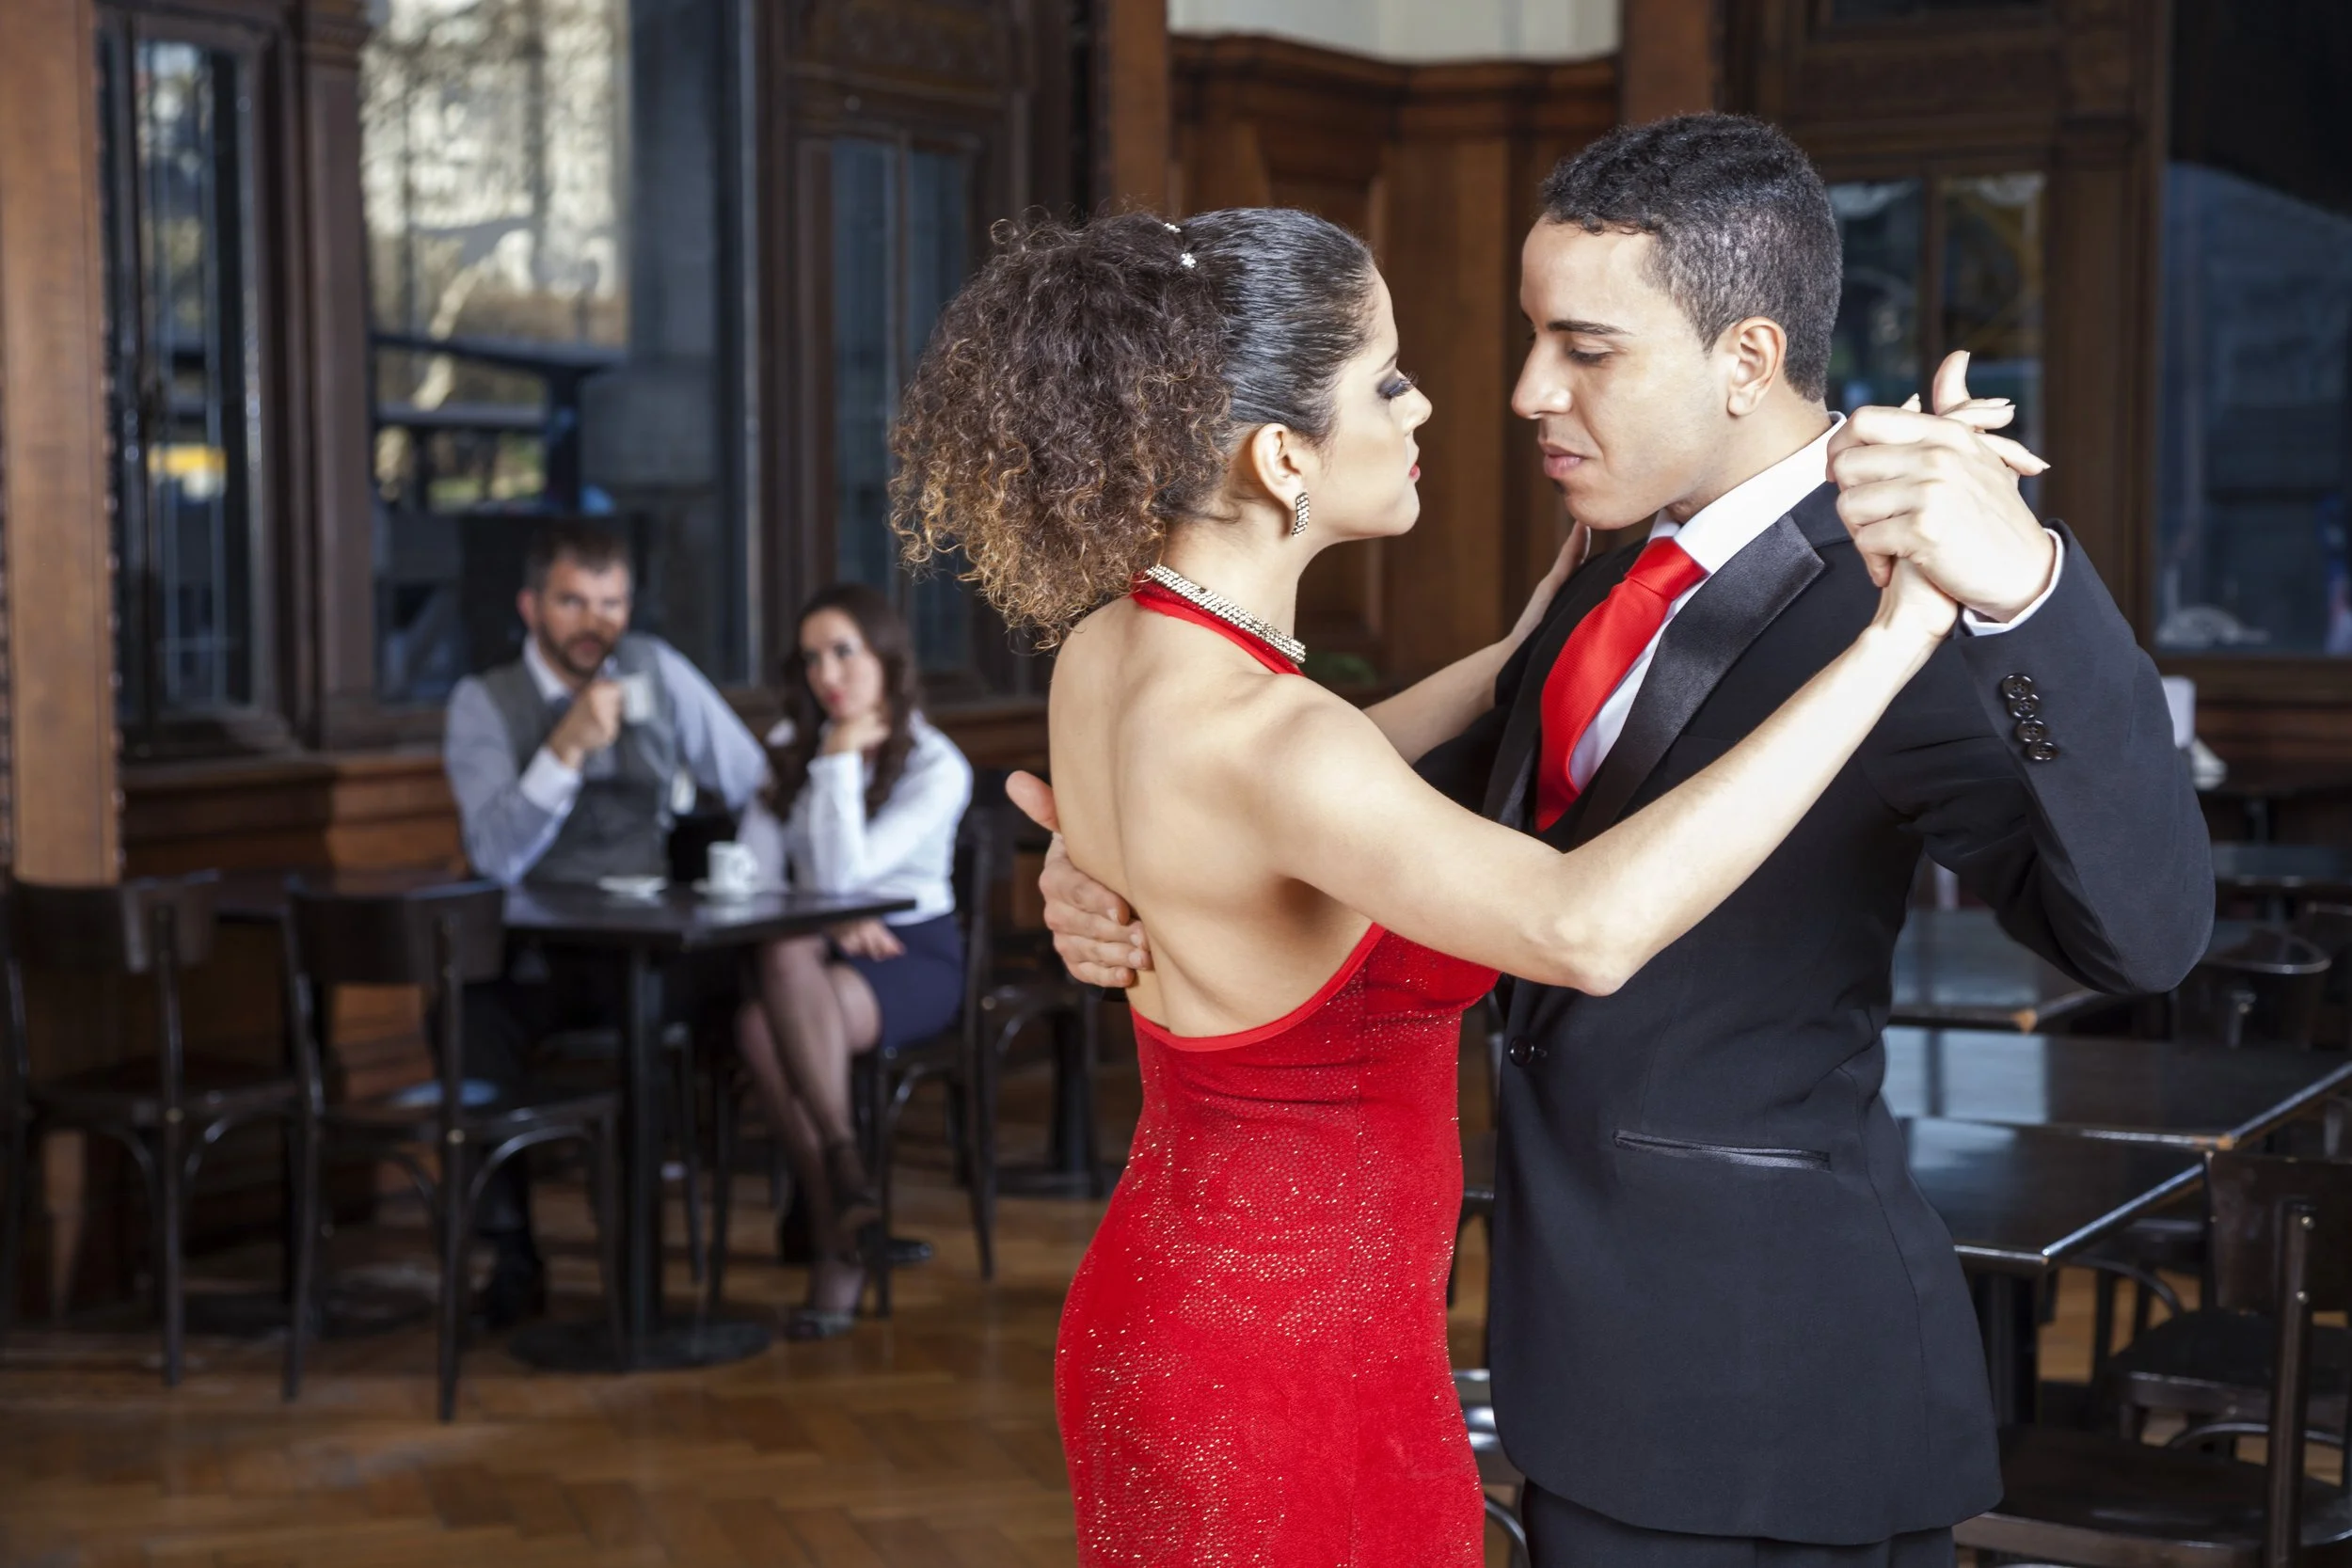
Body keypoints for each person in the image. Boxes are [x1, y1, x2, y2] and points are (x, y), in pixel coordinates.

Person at [1029, 118, 2213, 1568]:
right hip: (1561, 1366)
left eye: (1585, 349)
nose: (1526, 390)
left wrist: (2026, 586)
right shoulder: (1601, 565)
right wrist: (1120, 861)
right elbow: (1334, 813)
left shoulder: (1908, 592)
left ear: (1746, 357)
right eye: (1533, 336)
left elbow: (2146, 937)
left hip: (1774, 1391)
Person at [890, 202, 2004, 1568]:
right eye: (1387, 380)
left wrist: (1517, 654)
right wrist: (1892, 642)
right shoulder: (1278, 745)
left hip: (1172, 1309)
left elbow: (1287, 795)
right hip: (1294, 1369)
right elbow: (1583, 925)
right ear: (1283, 456)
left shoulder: (1113, 650)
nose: (1424, 408)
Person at [441, 521, 767, 1323]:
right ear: (531, 606)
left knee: (713, 1005)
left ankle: (641, 1271)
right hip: (539, 950)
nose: (595, 623)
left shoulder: (656, 668)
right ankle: (512, 1255)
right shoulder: (483, 702)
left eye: (612, 603)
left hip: (650, 944)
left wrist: (746, 870)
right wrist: (565, 749)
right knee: (460, 1018)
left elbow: (754, 778)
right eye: (573, 602)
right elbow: (493, 856)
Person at [730, 584, 973, 1339]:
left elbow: (841, 876)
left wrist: (836, 758)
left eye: (844, 652)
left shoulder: (937, 763)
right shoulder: (786, 744)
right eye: (811, 658)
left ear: (886, 656)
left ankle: (837, 1205)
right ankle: (847, 1196)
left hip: (911, 952)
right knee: (771, 991)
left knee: (764, 1019)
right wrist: (833, 910)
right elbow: (753, 874)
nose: (827, 674)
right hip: (816, 951)